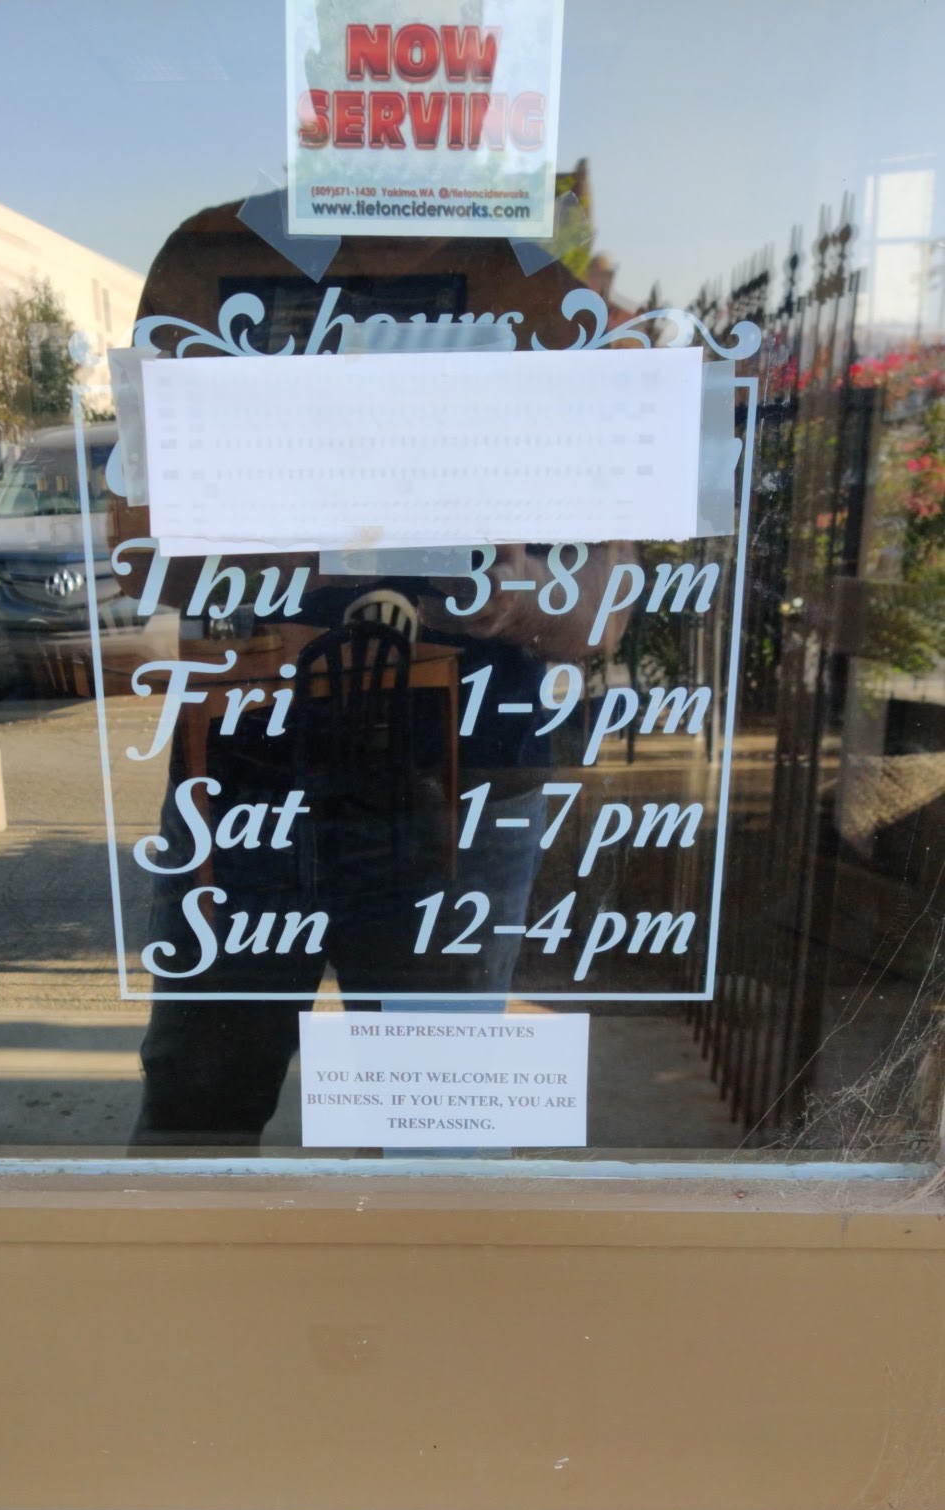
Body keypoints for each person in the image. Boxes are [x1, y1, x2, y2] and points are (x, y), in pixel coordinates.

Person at [118, 188, 633, 1145]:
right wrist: (342, 537)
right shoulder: (215, 257)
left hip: (455, 787)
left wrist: (519, 597)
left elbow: (606, 604)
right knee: (201, 1107)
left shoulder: (539, 294)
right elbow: (139, 546)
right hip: (255, 776)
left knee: (433, 1133)